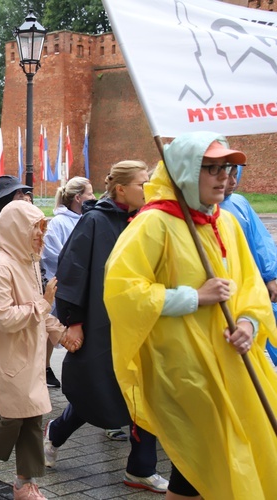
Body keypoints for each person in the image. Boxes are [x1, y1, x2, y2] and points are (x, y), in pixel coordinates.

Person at [104, 132, 277, 499]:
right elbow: (122, 291)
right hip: (183, 368)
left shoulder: (225, 222)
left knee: (217, 457)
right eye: (210, 168)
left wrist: (248, 323)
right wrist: (193, 297)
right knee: (202, 457)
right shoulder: (153, 225)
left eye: (226, 168)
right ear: (184, 171)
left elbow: (249, 285)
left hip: (231, 362)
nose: (224, 177)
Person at [45, 161, 169, 494]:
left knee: (145, 393)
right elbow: (72, 270)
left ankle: (141, 468)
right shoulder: (95, 221)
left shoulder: (146, 221)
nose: (148, 189)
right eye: (143, 183)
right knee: (97, 391)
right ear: (120, 188)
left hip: (139, 325)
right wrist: (73, 321)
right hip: (102, 324)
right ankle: (55, 434)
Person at [0, 201, 70, 500]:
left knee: (33, 414)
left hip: (28, 351)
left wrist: (59, 333)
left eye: (43, 229)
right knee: (13, 416)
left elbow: (36, 309)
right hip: (7, 353)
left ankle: (25, 483)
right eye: (36, 229)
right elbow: (3, 317)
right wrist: (43, 304)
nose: (41, 236)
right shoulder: (0, 267)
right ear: (17, 230)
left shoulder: (27, 260)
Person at [42, 176, 95, 390]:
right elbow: (54, 255)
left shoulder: (88, 219)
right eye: (90, 193)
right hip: (65, 285)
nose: (93, 197)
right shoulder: (59, 223)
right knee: (53, 330)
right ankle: (44, 367)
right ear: (78, 197)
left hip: (82, 285)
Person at [220, 165, 277, 359]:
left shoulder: (239, 203)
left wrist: (271, 276)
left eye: (236, 176)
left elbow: (260, 240)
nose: (233, 182)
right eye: (229, 176)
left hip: (253, 283)